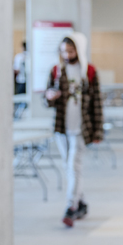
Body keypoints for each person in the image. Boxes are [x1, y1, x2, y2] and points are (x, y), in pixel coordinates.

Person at [44, 34, 104, 228]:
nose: (67, 54)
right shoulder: (56, 70)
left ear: (79, 49)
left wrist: (98, 131)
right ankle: (81, 202)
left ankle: (71, 207)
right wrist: (50, 97)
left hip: (81, 127)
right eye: (63, 51)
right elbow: (47, 99)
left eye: (70, 51)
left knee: (74, 166)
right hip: (62, 127)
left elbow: (97, 103)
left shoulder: (90, 71)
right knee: (68, 166)